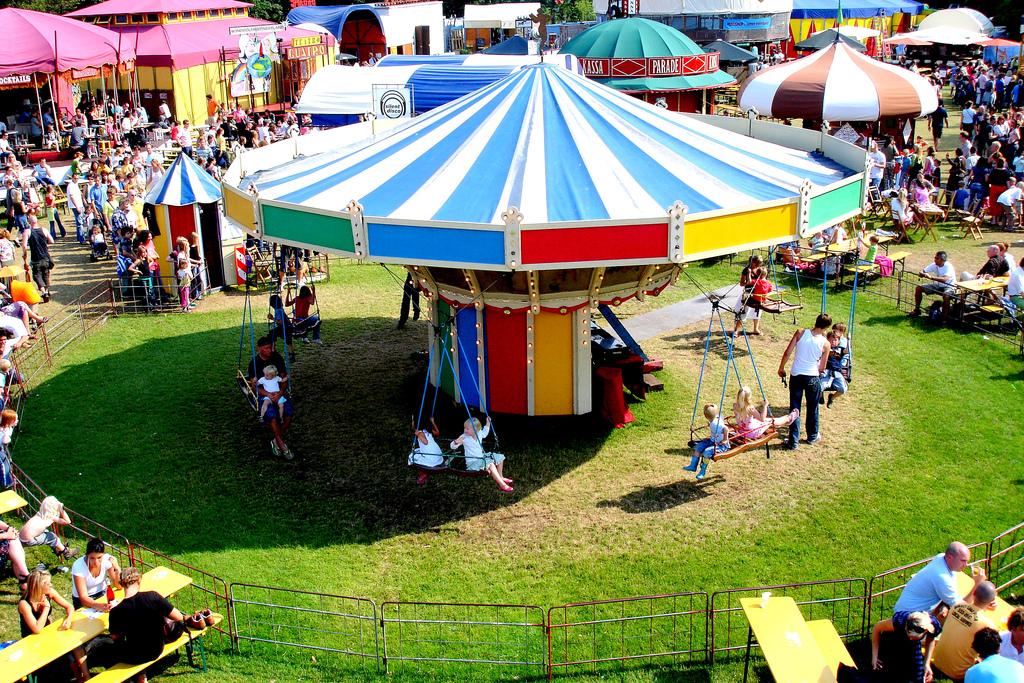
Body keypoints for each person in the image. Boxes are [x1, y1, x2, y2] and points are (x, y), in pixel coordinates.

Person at [106, 566, 185, 670]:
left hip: (134, 656)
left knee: (103, 646)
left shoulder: (116, 611)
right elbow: (179, 617)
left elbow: (115, 636)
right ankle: (142, 675)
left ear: (121, 584)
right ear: (139, 580)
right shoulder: (153, 597)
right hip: (157, 649)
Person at [19, 569, 89, 682]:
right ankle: (78, 676)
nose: (51, 585)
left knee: (74, 645)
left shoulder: (49, 593)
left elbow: (69, 607)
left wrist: (69, 619)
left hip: (48, 633)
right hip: (32, 640)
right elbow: (36, 629)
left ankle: (84, 677)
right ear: (38, 586)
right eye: (47, 584)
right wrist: (46, 608)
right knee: (67, 653)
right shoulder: (24, 604)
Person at [777, 313, 832, 450]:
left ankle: (793, 441)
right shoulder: (826, 343)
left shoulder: (801, 332)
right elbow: (822, 367)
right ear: (826, 327)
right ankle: (812, 436)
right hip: (812, 377)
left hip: (796, 374)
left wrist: (781, 367)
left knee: (795, 408)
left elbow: (787, 352)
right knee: (813, 407)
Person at [893, 542, 984, 618]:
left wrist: (945, 604)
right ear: (949, 557)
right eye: (963, 560)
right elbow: (961, 609)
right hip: (907, 618)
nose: (966, 565)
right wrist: (978, 584)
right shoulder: (942, 577)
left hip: (905, 610)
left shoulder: (942, 558)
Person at [931, 581, 999, 679]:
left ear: (974, 593)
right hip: (959, 673)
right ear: (992, 601)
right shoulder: (987, 625)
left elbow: (968, 609)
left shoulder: (956, 606)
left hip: (937, 662)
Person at [247, 337, 294, 459]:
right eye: (266, 348)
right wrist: (267, 394)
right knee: (272, 416)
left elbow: (283, 378)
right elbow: (254, 386)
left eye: (270, 347)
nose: (269, 350)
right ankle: (281, 443)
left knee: (288, 415)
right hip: (264, 394)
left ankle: (275, 440)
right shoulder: (254, 363)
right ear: (259, 349)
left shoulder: (276, 358)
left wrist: (280, 392)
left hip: (278, 392)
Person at [871, 611, 941, 683]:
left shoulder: (933, 625)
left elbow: (931, 640)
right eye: (910, 636)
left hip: (915, 645)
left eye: (913, 637)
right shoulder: (899, 621)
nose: (911, 639)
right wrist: (875, 656)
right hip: (893, 639)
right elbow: (877, 627)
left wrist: (927, 664)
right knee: (887, 675)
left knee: (918, 678)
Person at [451, 416, 511, 492]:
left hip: (481, 457)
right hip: (473, 462)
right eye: (464, 428)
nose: (465, 430)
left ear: (475, 430)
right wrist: (456, 442)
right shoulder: (464, 437)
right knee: (491, 464)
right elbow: (452, 446)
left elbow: (485, 433)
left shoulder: (479, 433)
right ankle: (502, 485)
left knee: (500, 457)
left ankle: (501, 477)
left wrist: (488, 423)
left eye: (468, 429)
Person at [19, 495, 79, 563]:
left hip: (20, 537)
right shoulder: (51, 517)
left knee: (46, 532)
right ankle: (66, 552)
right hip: (28, 540)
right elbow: (68, 521)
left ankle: (57, 547)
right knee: (52, 537)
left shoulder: (39, 514)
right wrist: (61, 509)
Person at [70, 536, 121, 611]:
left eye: (99, 558)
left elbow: (118, 586)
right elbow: (83, 597)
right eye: (92, 558)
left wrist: (117, 570)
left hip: (101, 593)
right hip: (83, 600)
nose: (96, 562)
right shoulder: (79, 565)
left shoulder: (107, 560)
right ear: (87, 555)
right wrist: (97, 606)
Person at [733, 386, 799, 440]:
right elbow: (762, 418)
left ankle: (783, 420)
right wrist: (765, 406)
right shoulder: (750, 408)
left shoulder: (735, 406)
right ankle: (788, 419)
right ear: (749, 397)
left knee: (765, 420)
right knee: (770, 421)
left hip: (742, 431)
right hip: (753, 432)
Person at [685, 403, 731, 481]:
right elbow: (721, 418)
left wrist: (725, 439)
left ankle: (702, 471)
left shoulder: (716, 424)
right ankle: (693, 466)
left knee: (706, 452)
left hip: (720, 445)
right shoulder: (716, 419)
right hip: (712, 440)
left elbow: (726, 428)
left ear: (705, 416)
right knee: (698, 447)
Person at [910, 251, 958, 319]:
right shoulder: (934, 265)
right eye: (935, 258)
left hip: (950, 286)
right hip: (939, 285)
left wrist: (931, 277)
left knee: (946, 296)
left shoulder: (948, 266)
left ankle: (945, 318)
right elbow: (923, 271)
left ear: (943, 260)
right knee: (919, 288)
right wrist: (921, 273)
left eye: (937, 258)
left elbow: (945, 279)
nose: (935, 260)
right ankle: (916, 310)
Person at [21, 214, 54, 303]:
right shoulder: (44, 230)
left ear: (30, 222)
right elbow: (51, 241)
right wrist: (43, 243)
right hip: (45, 256)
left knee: (37, 275)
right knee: (46, 274)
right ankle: (46, 291)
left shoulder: (27, 231)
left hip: (36, 258)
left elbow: (24, 245)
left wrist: (24, 254)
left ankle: (44, 292)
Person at [734, 254, 766, 336]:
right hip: (748, 293)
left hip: (757, 293)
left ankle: (756, 329)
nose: (758, 265)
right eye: (757, 263)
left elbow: (763, 278)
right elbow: (741, 283)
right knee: (743, 311)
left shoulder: (759, 270)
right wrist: (748, 282)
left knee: (757, 311)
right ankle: (735, 330)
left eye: (759, 263)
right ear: (753, 262)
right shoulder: (746, 270)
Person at [818, 326, 848, 409]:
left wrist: (848, 341)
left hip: (837, 372)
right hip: (826, 371)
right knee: (819, 388)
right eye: (831, 340)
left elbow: (846, 356)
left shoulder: (841, 350)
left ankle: (832, 398)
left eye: (835, 340)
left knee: (843, 389)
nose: (833, 342)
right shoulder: (825, 348)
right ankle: (820, 396)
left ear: (838, 341)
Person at [411, 417, 443, 484]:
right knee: (417, 451)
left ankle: (423, 474)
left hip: (432, 458)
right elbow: (437, 433)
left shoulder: (420, 433)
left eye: (413, 421)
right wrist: (433, 423)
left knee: (411, 458)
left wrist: (419, 435)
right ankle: (424, 471)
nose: (412, 422)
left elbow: (425, 442)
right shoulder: (428, 430)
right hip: (438, 455)